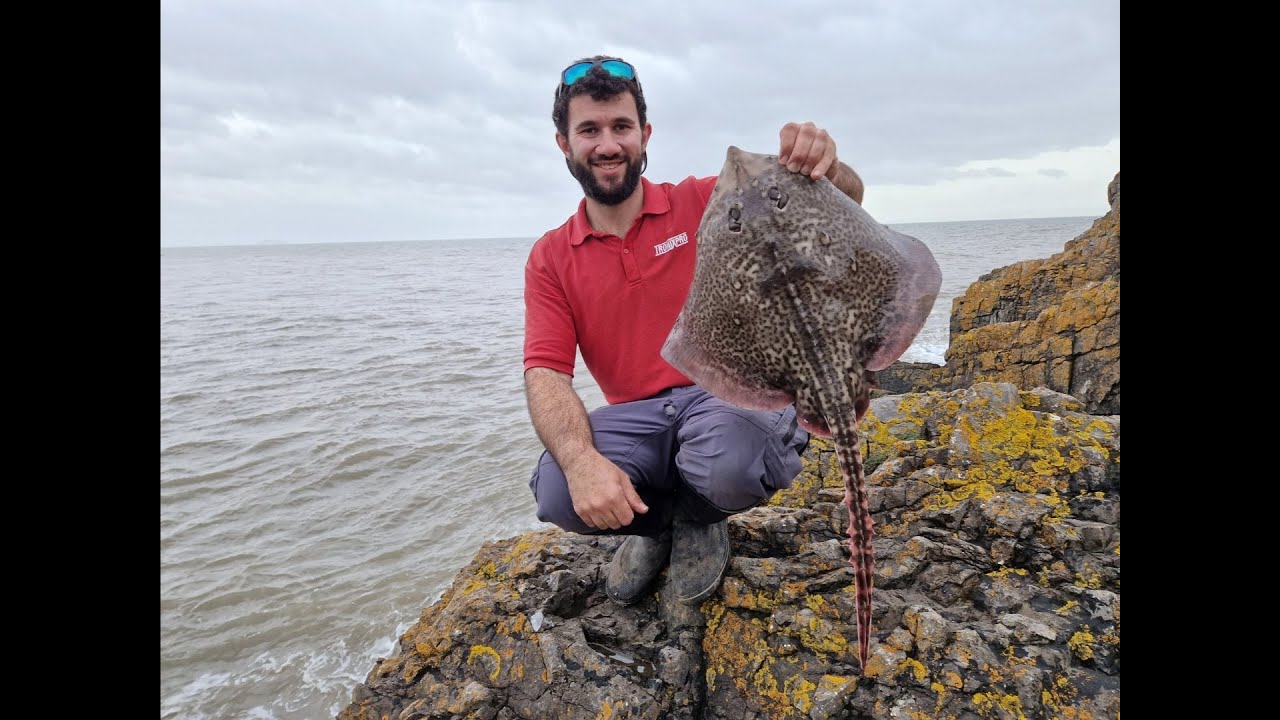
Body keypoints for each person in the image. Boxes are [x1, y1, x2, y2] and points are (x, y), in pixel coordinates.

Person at [522, 55, 866, 607]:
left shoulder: (705, 200)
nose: (607, 144)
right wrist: (583, 462)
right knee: (559, 489)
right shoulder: (551, 257)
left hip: (728, 392)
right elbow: (545, 372)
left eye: (621, 127)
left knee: (730, 459)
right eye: (589, 129)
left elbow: (840, 200)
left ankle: (702, 518)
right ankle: (658, 527)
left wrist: (824, 162)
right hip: (642, 415)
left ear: (644, 134)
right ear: (564, 142)